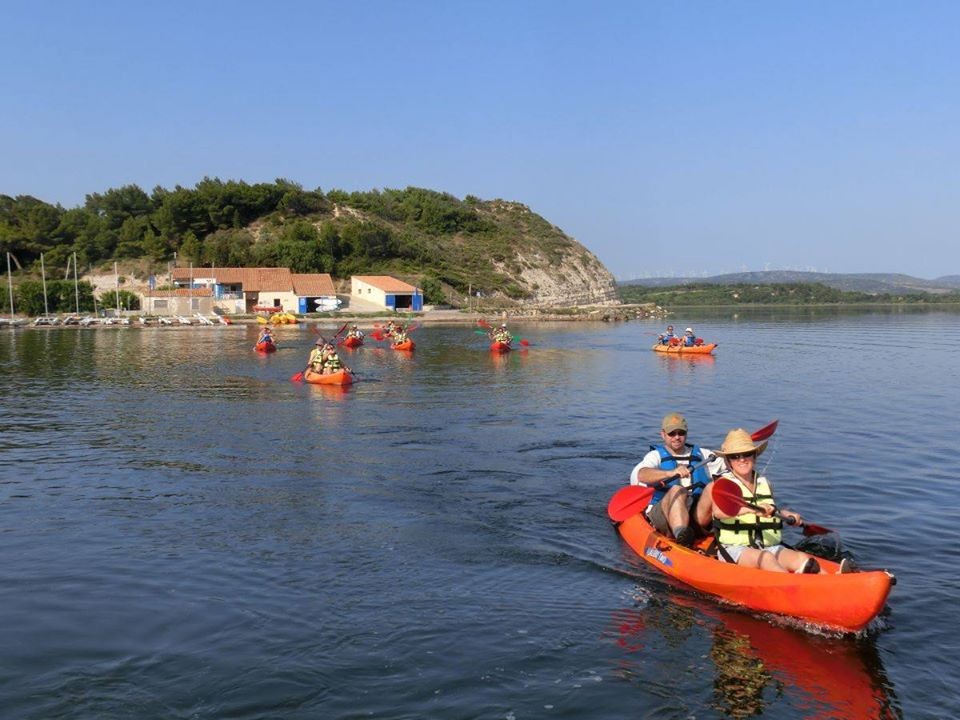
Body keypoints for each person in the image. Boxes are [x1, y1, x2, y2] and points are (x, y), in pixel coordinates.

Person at [702, 428, 850, 574]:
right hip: (735, 549)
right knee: (766, 558)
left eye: (747, 454)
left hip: (768, 546)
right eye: (735, 456)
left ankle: (838, 582)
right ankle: (794, 586)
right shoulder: (722, 485)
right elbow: (719, 512)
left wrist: (787, 516)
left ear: (754, 456)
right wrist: (752, 509)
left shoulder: (764, 482)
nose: (742, 459)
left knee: (802, 558)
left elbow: (771, 510)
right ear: (728, 461)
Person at [629, 412, 723, 547]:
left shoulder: (704, 455)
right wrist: (670, 473)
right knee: (677, 489)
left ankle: (704, 532)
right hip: (665, 513)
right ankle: (682, 535)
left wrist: (740, 454)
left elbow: (732, 465)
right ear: (663, 434)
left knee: (714, 486)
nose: (677, 437)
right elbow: (642, 474)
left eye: (681, 433)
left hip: (696, 515)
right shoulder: (655, 456)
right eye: (672, 434)